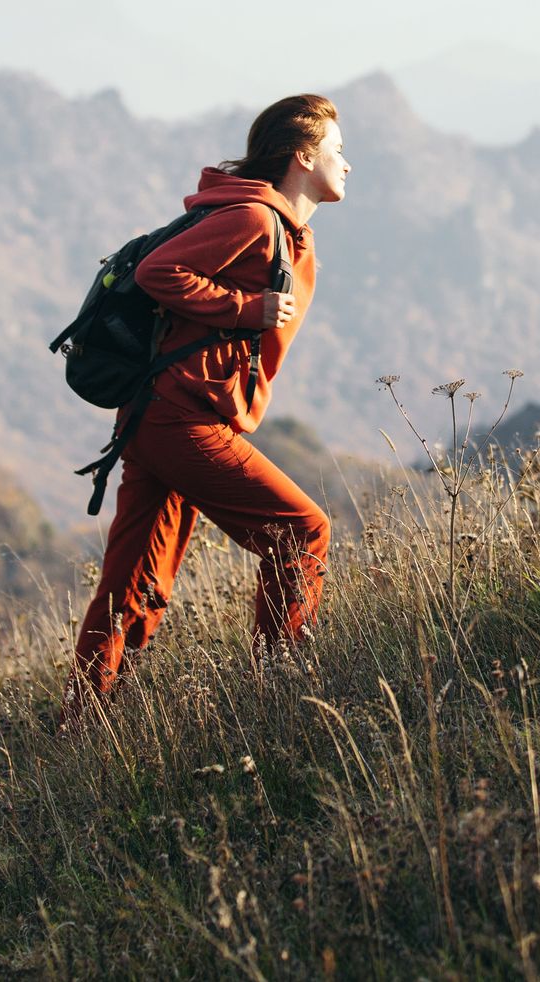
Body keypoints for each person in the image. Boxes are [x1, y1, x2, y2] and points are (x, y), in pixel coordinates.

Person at [65, 93, 350, 718]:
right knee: (301, 534)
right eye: (336, 150)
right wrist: (246, 309)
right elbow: (158, 272)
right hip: (178, 418)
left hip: (158, 416)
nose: (346, 163)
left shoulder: (281, 229)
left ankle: (81, 726)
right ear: (303, 156)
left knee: (133, 585)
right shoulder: (253, 218)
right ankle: (282, 699)